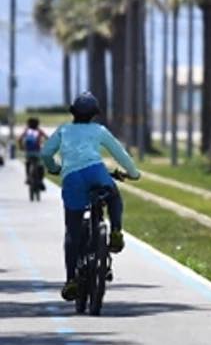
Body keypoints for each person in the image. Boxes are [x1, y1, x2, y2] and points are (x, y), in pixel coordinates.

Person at [40, 93, 141, 301]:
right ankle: (115, 232)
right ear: (95, 115)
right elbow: (119, 153)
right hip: (96, 172)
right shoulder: (99, 130)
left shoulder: (64, 130)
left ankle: (71, 281)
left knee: (73, 231)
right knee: (113, 196)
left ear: (73, 113)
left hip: (72, 179)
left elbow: (45, 153)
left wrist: (54, 168)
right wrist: (133, 173)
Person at [20, 117, 49, 191]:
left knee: (28, 163)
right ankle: (40, 181)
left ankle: (28, 178)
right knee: (41, 166)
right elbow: (48, 139)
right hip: (38, 153)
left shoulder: (27, 131)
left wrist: (21, 147)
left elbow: (19, 139)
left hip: (28, 152)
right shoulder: (39, 131)